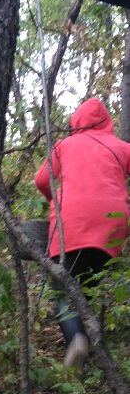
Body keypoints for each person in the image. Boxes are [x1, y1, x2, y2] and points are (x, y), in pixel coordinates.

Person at [35, 98, 130, 373]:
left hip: (71, 222)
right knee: (88, 286)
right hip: (111, 225)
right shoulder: (122, 147)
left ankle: (76, 339)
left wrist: (54, 199)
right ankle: (86, 356)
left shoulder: (65, 145)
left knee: (63, 288)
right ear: (106, 122)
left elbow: (42, 180)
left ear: (76, 121)